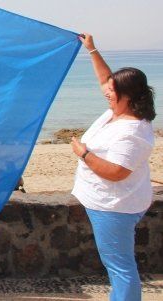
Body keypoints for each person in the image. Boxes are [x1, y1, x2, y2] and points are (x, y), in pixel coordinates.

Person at [71, 33, 156, 301]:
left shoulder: (132, 131)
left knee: (120, 266)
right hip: (114, 203)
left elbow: (118, 173)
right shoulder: (118, 111)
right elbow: (105, 80)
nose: (108, 92)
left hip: (114, 207)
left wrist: (84, 154)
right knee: (117, 264)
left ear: (127, 96)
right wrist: (92, 50)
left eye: (113, 91)